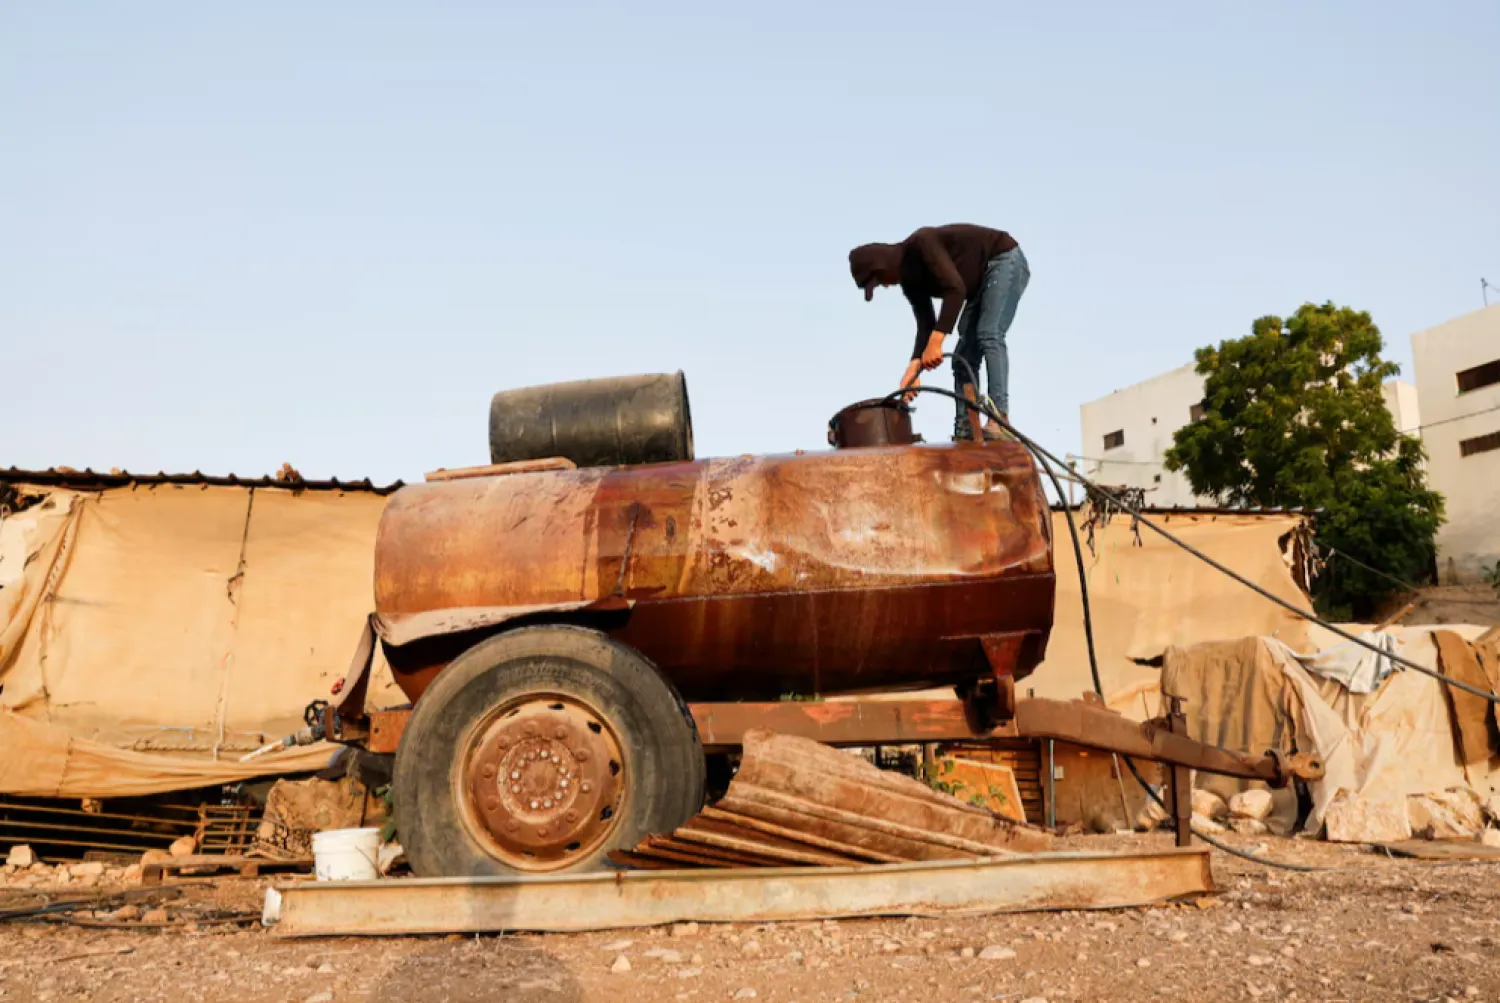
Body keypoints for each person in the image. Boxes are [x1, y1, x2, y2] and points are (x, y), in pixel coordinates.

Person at [848, 224, 1030, 440]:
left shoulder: (922, 244)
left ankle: (999, 418)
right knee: (963, 357)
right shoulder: (910, 284)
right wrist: (913, 369)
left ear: (882, 264)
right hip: (980, 283)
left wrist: (936, 343)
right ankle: (966, 428)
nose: (886, 286)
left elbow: (955, 289)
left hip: (1003, 259)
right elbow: (926, 323)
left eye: (879, 281)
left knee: (988, 334)